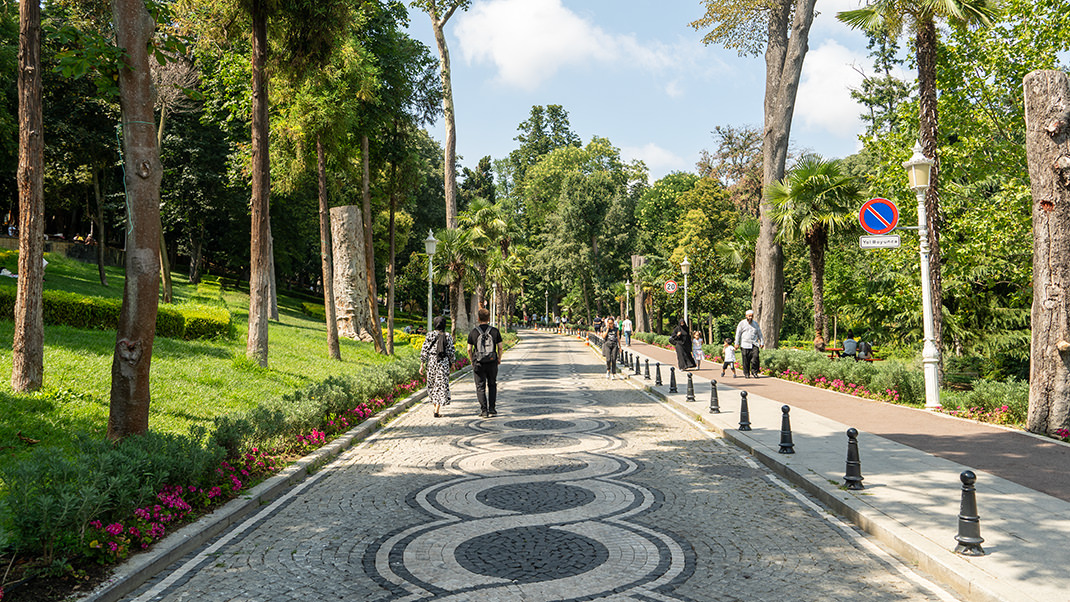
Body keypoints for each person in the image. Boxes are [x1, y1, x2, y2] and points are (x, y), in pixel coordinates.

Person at [468, 307, 503, 418]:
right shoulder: (494, 331)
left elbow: (469, 349)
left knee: (480, 386)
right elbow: (500, 347)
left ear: (478, 318)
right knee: (492, 384)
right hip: (492, 362)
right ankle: (492, 408)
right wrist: (499, 358)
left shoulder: (473, 332)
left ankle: (484, 410)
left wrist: (471, 360)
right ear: (489, 318)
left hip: (478, 362)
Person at [420, 316, 455, 418]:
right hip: (442, 362)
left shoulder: (429, 335)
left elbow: (424, 349)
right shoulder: (447, 336)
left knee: (432, 384)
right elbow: (450, 351)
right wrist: (452, 363)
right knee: (440, 385)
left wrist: (422, 364)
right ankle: (436, 410)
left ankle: (435, 408)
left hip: (431, 362)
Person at [734, 309, 764, 378]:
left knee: (755, 358)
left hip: (754, 344)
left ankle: (754, 372)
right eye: (749, 316)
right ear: (746, 316)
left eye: (751, 316)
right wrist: (736, 343)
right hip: (745, 344)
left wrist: (762, 342)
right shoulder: (742, 323)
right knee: (746, 360)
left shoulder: (755, 324)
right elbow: (738, 334)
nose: (750, 317)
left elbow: (759, 333)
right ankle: (746, 373)